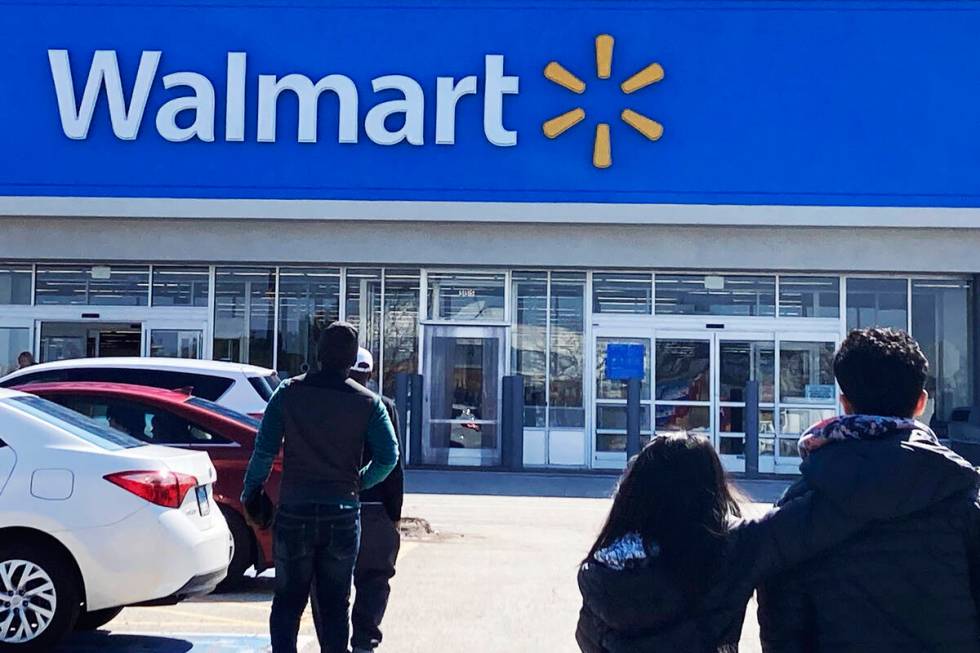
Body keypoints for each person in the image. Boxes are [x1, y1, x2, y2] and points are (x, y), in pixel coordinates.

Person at [575, 429, 960, 653]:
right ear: (711, 489)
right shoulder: (733, 547)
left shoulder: (602, 567)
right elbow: (817, 519)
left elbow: (588, 639)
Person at [758, 327, 980, 653]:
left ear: (845, 403)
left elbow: (781, 628)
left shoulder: (797, 507)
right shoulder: (962, 499)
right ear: (921, 402)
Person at [242, 322, 399, 653]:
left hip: (295, 510)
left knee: (287, 603)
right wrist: (360, 481)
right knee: (334, 606)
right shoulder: (369, 403)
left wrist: (250, 494)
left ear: (318, 353)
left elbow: (264, 450)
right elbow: (389, 457)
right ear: (351, 359)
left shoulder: (288, 392)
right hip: (342, 513)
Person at [346, 347, 404, 653]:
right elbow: (393, 465)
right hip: (374, 508)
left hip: (335, 503)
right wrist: (394, 512)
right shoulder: (383, 406)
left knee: (331, 582)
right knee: (374, 579)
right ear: (370, 373)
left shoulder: (330, 403)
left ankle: (334, 641)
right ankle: (365, 641)